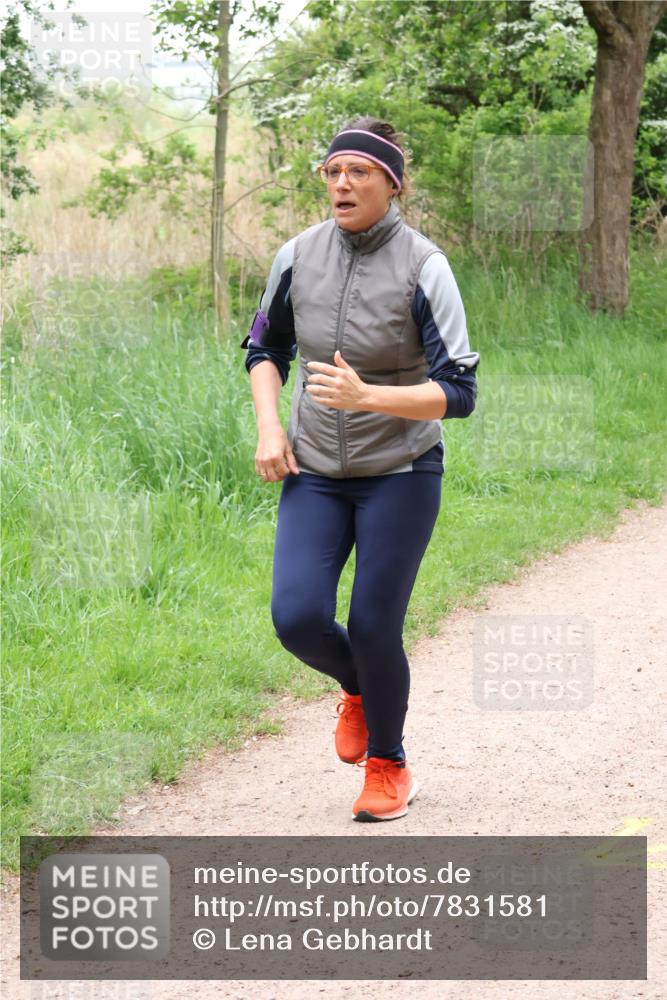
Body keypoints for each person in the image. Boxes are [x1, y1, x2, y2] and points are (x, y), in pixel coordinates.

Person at [240, 116, 480, 822]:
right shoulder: (296, 256)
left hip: (400, 473)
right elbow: (262, 349)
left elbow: (459, 390)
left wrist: (367, 395)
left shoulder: (423, 264)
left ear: (391, 184)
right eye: (332, 172)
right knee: (297, 619)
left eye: (359, 173)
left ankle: (387, 764)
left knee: (374, 624)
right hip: (313, 469)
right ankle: (358, 688)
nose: (341, 184)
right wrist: (268, 423)